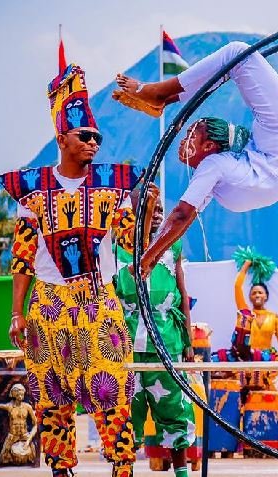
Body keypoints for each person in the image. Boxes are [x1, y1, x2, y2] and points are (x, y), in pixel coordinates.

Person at [0, 63, 142, 477]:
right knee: (49, 396)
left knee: (111, 390)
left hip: (99, 300)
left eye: (98, 137)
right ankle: (61, 469)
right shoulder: (33, 191)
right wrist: (16, 312)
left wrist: (146, 209)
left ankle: (122, 467)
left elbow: (133, 244)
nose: (94, 142)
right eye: (85, 136)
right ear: (62, 139)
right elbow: (22, 258)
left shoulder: (115, 188)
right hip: (47, 302)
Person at [111, 42, 278, 277]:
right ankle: (161, 94)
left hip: (277, 168)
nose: (182, 141)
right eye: (190, 134)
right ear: (209, 146)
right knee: (236, 53)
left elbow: (184, 216)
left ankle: (161, 95)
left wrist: (149, 258)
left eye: (189, 135)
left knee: (233, 62)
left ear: (210, 146)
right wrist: (148, 258)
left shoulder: (221, 170)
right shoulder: (219, 164)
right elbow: (183, 215)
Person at [113, 187, 196, 477]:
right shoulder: (116, 248)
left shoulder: (172, 245)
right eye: (149, 206)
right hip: (126, 345)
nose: (158, 211)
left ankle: (182, 473)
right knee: (126, 416)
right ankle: (124, 470)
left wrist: (189, 342)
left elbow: (183, 294)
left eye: (160, 207)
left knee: (175, 410)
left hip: (167, 342)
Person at [230, 249, 278, 391]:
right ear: (250, 297)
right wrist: (246, 265)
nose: (257, 295)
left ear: (266, 296)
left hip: (266, 362)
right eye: (253, 293)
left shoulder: (274, 317)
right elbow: (237, 286)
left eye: (260, 292)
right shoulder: (246, 313)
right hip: (247, 361)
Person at [0, 384, 37, 465]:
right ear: (14, 395)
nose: (21, 396)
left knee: (33, 456)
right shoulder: (10, 406)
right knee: (3, 456)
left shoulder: (27, 407)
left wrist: (29, 439)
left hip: (25, 434)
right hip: (12, 435)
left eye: (22, 394)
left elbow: (35, 424)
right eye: (18, 394)